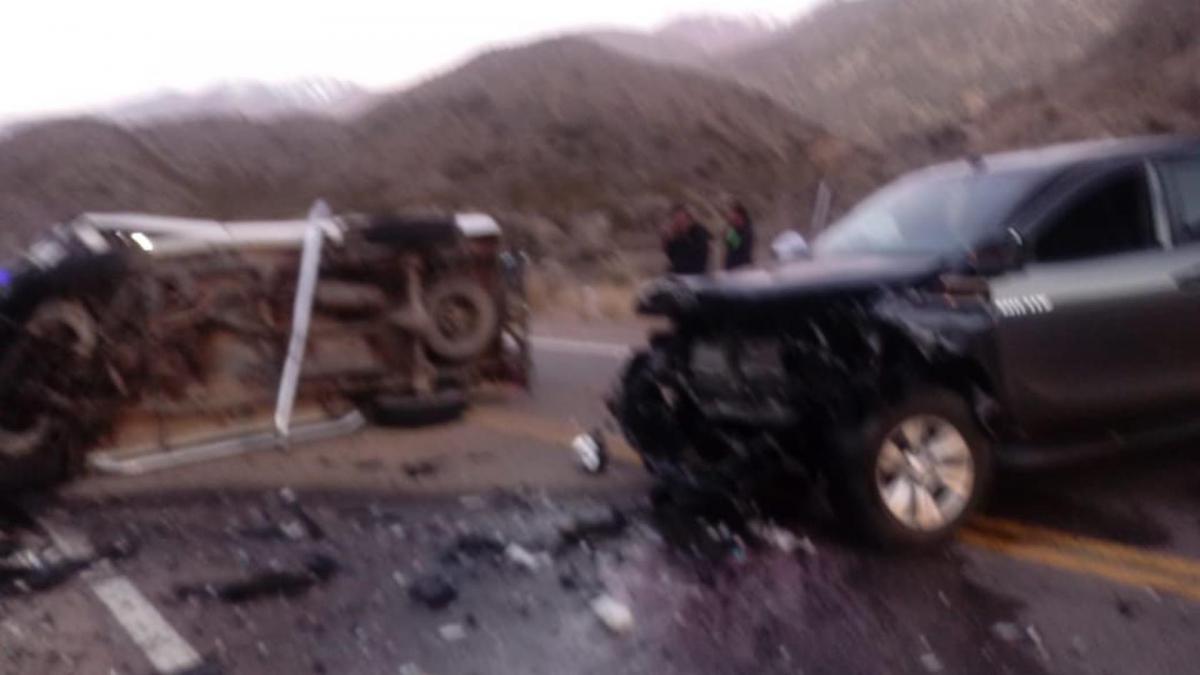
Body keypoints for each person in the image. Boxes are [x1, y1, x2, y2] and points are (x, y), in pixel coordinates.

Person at [661, 204, 711, 275]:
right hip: (680, 273)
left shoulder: (699, 232)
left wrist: (683, 237)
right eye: (675, 218)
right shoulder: (677, 234)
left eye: (680, 217)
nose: (677, 221)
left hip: (696, 273)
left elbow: (700, 259)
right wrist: (667, 241)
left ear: (689, 218)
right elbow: (673, 258)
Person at [722, 201, 755, 270]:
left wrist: (729, 232)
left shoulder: (747, 229)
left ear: (741, 216)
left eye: (734, 216)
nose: (732, 218)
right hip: (731, 267)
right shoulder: (734, 228)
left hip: (741, 268)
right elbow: (729, 245)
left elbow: (739, 246)